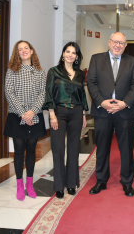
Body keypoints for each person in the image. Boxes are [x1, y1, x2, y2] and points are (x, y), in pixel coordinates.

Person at [87, 32, 134, 197]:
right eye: (115, 42)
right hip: (102, 111)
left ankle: (127, 182)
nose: (118, 45)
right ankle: (101, 181)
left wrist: (125, 103)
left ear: (125, 46)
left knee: (126, 149)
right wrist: (102, 102)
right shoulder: (96, 59)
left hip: (125, 112)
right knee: (102, 148)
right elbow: (91, 82)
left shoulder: (132, 61)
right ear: (109, 42)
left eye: (122, 43)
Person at [43, 42, 88, 199]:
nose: (70, 54)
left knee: (74, 149)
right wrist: (52, 114)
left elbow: (82, 95)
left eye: (73, 52)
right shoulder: (53, 71)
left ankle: (71, 184)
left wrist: (83, 114)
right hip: (58, 113)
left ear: (77, 56)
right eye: (67, 51)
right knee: (58, 149)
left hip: (76, 112)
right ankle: (59, 186)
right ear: (63, 54)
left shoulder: (80, 73)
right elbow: (48, 92)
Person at [4, 40, 46, 201]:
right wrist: (23, 113)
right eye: (20, 49)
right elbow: (9, 93)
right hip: (17, 115)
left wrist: (32, 112)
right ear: (17, 53)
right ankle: (19, 185)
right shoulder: (12, 70)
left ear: (32, 51)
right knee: (19, 150)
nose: (23, 51)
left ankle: (30, 184)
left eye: (26, 48)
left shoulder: (40, 71)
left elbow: (43, 94)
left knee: (31, 149)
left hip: (35, 115)